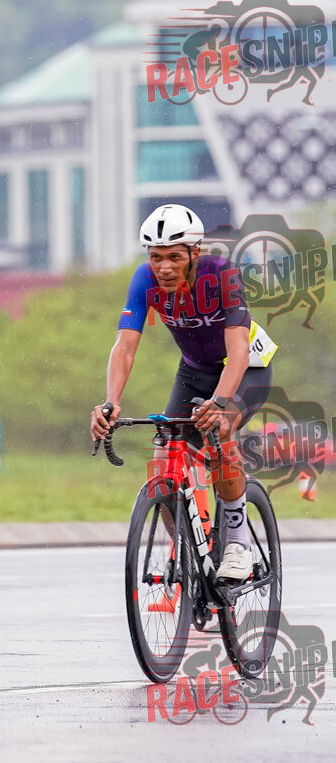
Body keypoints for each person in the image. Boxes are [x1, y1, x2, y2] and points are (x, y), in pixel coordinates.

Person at [91, 204, 275, 581]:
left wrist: (220, 403)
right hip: (194, 371)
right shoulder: (144, 279)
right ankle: (189, 555)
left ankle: (237, 544)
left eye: (174, 257)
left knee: (220, 429)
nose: (164, 267)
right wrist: (111, 401)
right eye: (156, 257)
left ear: (195, 252)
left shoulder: (220, 273)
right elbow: (125, 346)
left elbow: (239, 350)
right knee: (163, 459)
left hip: (245, 368)